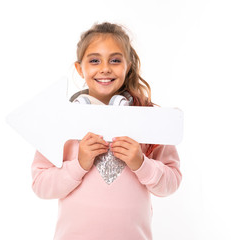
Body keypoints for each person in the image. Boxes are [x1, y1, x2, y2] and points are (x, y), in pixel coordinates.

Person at [31, 22, 182, 240]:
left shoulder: (149, 117)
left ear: (128, 65)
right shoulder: (60, 120)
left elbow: (171, 183)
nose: (105, 68)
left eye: (115, 60)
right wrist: (78, 165)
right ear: (79, 68)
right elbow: (40, 186)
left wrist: (141, 164)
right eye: (94, 60)